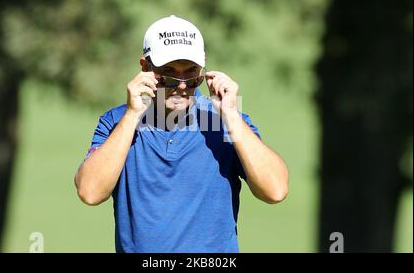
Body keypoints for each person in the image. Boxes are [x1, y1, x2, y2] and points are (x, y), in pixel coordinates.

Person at [74, 15, 289, 253]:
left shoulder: (227, 122)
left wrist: (231, 116)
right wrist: (133, 115)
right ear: (145, 68)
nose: (183, 85)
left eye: (191, 73)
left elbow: (275, 190)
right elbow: (90, 192)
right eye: (169, 74)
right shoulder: (117, 121)